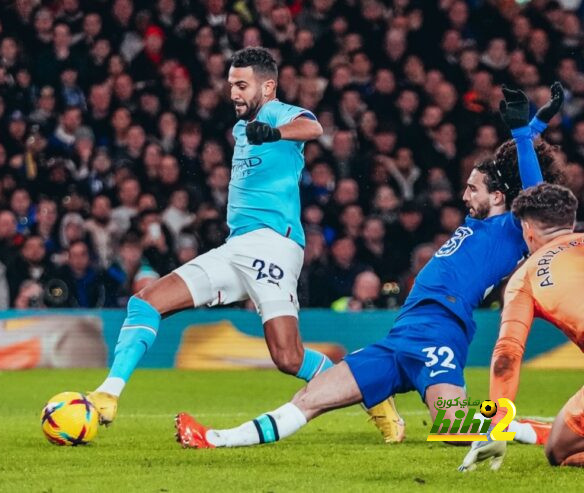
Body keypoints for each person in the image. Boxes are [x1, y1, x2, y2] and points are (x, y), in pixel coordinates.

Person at [172, 84, 565, 449]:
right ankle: (214, 438)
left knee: (453, 428)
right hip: (401, 335)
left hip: (439, 329)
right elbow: (513, 174)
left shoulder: (511, 230)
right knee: (312, 396)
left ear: (498, 196)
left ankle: (540, 431)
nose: (464, 195)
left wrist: (520, 135)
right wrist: (532, 127)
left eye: (472, 188)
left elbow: (532, 192)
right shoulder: (480, 222)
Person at [87, 47, 334, 425]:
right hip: (236, 247)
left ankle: (368, 390)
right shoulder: (240, 128)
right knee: (145, 303)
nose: (233, 92)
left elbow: (312, 126)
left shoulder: (275, 113)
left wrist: (275, 133)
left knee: (288, 358)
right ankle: (108, 394)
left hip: (274, 245)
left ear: (268, 87)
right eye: (230, 84)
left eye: (241, 85)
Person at [459, 184, 584, 471]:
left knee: (558, 451)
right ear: (572, 222)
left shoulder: (525, 276)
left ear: (527, 229)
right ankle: (528, 430)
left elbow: (507, 355)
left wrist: (498, 424)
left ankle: (524, 430)